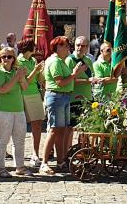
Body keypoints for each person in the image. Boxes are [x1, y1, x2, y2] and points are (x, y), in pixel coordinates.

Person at [40, 36, 85, 174]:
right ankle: (44, 163)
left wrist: (74, 73)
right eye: (65, 46)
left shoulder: (61, 61)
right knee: (54, 130)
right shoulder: (55, 61)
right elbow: (60, 82)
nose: (68, 48)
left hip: (64, 97)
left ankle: (61, 161)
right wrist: (74, 74)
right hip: (56, 97)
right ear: (57, 47)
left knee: (62, 131)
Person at [0, 47, 29, 178]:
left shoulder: (16, 72)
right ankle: (0, 168)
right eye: (3, 57)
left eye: (9, 57)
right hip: (2, 110)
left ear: (14, 59)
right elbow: (3, 90)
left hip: (18, 109)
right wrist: (17, 76)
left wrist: (21, 77)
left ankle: (20, 167)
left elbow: (25, 87)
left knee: (20, 139)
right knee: (3, 139)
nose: (6, 59)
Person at [15, 40, 46, 169]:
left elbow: (39, 79)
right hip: (23, 94)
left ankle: (35, 154)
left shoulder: (33, 60)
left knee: (38, 123)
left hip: (35, 93)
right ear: (28, 47)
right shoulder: (18, 61)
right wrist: (35, 70)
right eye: (34, 46)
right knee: (19, 127)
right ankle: (18, 155)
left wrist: (42, 72)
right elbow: (25, 82)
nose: (36, 48)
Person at [68, 37, 95, 127]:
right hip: (74, 99)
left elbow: (91, 76)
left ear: (87, 47)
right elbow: (69, 81)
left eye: (83, 46)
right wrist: (87, 80)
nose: (80, 48)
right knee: (72, 128)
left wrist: (95, 79)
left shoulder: (88, 60)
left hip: (88, 98)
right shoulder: (69, 60)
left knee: (87, 127)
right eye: (78, 45)